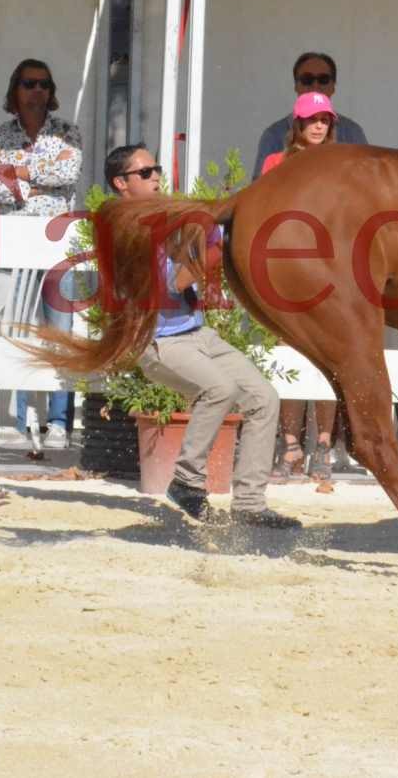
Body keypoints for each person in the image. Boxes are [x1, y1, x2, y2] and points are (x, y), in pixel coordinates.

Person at [104, 143, 300, 529]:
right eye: (145, 173)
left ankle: (249, 503)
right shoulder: (123, 229)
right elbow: (173, 285)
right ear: (120, 183)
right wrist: (212, 253)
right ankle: (187, 481)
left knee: (264, 398)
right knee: (220, 390)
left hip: (195, 331)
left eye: (156, 169)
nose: (156, 176)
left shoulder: (160, 216)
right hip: (158, 341)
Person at [0, 59, 84, 455]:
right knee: (18, 329)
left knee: (60, 333)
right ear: (15, 91)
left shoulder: (68, 132)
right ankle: (19, 418)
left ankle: (59, 421)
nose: (37, 90)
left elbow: (69, 174)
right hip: (15, 243)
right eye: (29, 83)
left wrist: (21, 172)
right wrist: (38, 181)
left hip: (60, 246)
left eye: (44, 83)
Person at [261, 92, 341, 481]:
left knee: (329, 358)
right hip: (288, 272)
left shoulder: (341, 166)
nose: (319, 125)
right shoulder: (276, 164)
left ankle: (323, 444)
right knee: (288, 360)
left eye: (324, 118)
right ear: (297, 124)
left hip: (330, 274)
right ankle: (291, 445)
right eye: (312, 119)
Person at [254, 52, 368, 169]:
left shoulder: (353, 132)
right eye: (307, 79)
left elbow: (366, 179)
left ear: (333, 86)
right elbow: (260, 185)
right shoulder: (273, 135)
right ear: (296, 85)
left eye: (323, 79)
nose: (315, 86)